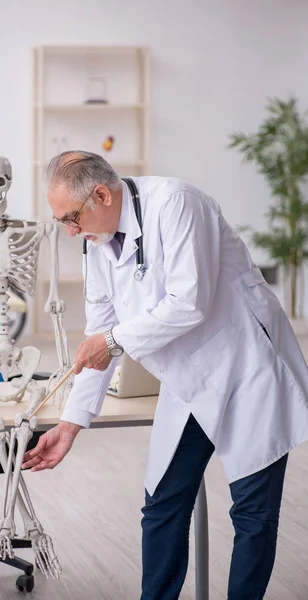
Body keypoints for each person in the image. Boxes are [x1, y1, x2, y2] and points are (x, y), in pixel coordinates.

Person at [22, 150, 308, 600]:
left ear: (100, 194)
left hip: (248, 367)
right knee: (162, 505)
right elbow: (99, 336)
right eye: (63, 222)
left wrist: (112, 340)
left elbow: (188, 302)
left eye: (72, 218)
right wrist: (70, 424)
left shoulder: (176, 203)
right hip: (188, 378)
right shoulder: (94, 244)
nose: (71, 230)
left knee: (252, 515)